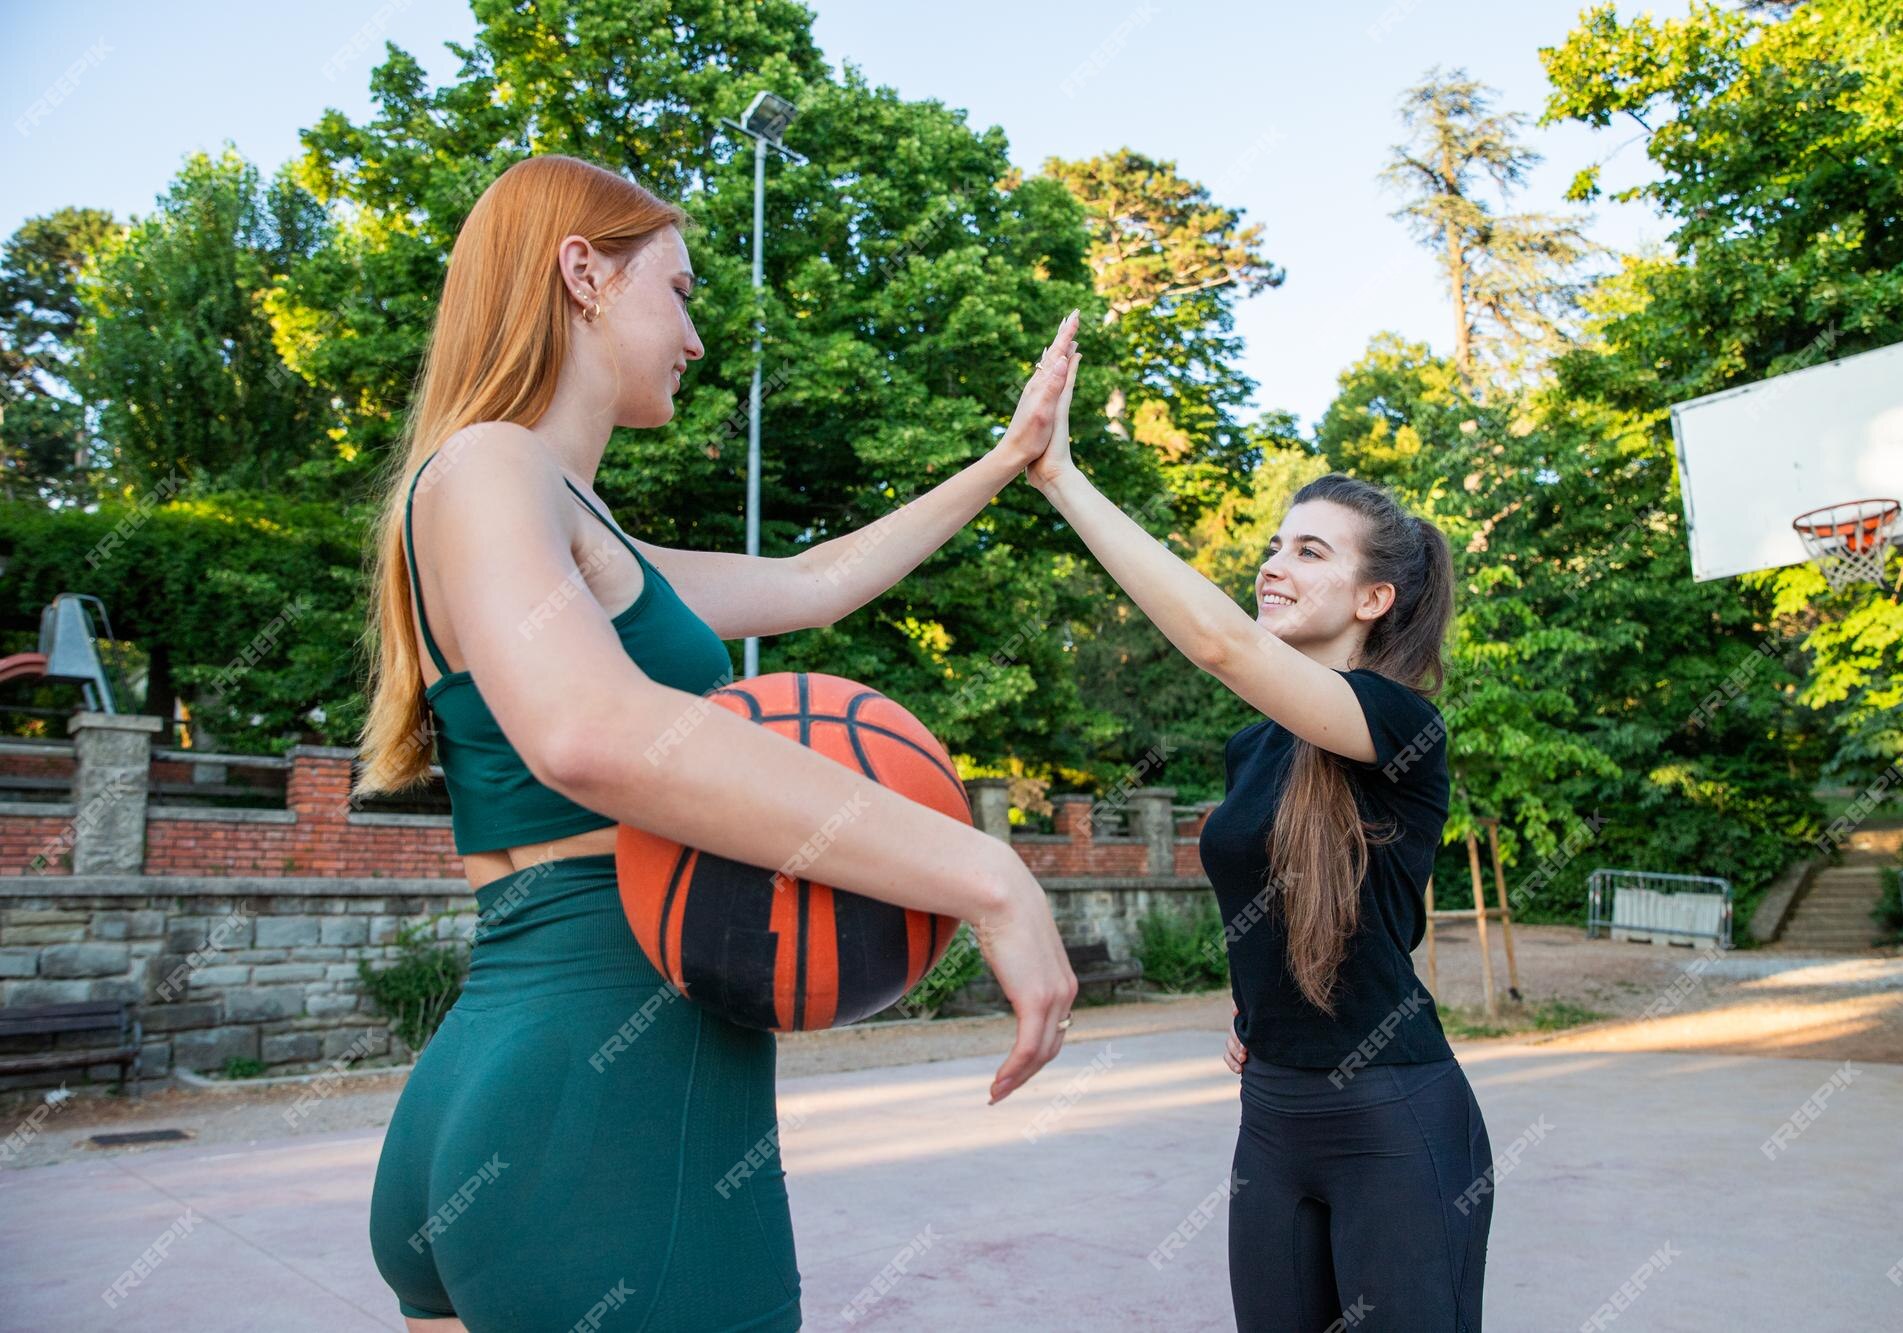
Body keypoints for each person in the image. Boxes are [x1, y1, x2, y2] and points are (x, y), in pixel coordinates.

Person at [353, 154, 1079, 1332]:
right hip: (608, 1096)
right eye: (680, 291)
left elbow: (814, 580)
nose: (695, 337)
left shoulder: (572, 522)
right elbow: (588, 733)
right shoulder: (491, 463)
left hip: (507, 1091)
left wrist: (1006, 463)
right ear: (582, 272)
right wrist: (983, 872)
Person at [1026, 351, 1493, 1330]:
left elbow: (1216, 643)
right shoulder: (1251, 746)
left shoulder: (1400, 726)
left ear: (1374, 600)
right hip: (1272, 1119)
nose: (1273, 565)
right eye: (1275, 545)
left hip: (1393, 1115)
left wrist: (1060, 476)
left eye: (1310, 553)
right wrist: (1256, 1011)